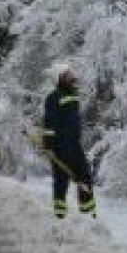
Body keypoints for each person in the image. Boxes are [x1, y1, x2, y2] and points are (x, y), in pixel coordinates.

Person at [41, 62, 96, 219]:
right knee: (61, 180)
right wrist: (49, 146)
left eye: (71, 73)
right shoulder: (53, 97)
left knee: (85, 175)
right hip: (60, 146)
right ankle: (59, 214)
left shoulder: (73, 95)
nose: (72, 76)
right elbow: (49, 123)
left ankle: (87, 214)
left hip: (74, 144)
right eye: (67, 74)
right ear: (59, 78)